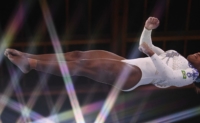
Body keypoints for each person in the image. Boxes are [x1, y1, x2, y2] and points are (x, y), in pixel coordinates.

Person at [4, 17, 200, 92]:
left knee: (81, 66)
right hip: (130, 63)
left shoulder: (191, 75)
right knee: (77, 55)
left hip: (134, 75)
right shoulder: (180, 59)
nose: (199, 53)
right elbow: (144, 46)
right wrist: (147, 29)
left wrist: (153, 54)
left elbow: (168, 76)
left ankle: (31, 63)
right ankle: (30, 56)